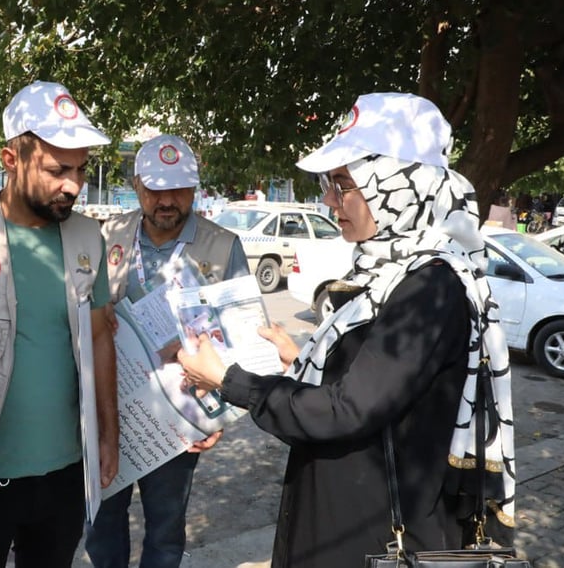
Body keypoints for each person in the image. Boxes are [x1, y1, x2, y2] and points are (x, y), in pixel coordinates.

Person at [178, 93, 517, 568]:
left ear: (398, 187)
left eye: (342, 185)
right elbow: (373, 383)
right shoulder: (389, 274)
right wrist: (300, 360)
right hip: (347, 520)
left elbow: (348, 409)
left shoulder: (429, 286)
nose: (328, 201)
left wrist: (228, 381)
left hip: (374, 537)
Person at [0, 80, 119, 568]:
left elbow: (100, 336)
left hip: (64, 471)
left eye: (81, 170)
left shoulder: (89, 236)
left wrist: (108, 434)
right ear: (10, 159)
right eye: (57, 170)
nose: (73, 184)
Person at [85, 134, 249, 568]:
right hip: (111, 409)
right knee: (101, 529)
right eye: (156, 188)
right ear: (137, 185)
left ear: (195, 188)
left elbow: (242, 339)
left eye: (179, 188)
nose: (167, 200)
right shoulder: (107, 236)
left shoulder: (223, 246)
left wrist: (218, 414)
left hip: (178, 418)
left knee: (165, 534)